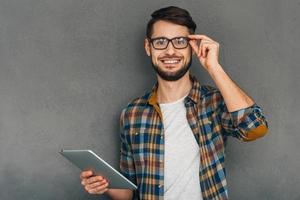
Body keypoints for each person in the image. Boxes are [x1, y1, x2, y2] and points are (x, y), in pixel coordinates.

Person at [80, 6, 269, 200]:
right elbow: (129, 192)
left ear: (192, 47)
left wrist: (214, 68)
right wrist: (104, 185)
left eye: (180, 41)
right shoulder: (132, 114)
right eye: (160, 42)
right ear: (148, 47)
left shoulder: (214, 102)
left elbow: (255, 128)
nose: (170, 51)